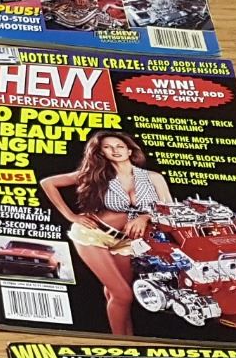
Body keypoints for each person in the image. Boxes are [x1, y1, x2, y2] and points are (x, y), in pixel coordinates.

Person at [38, 130, 172, 336]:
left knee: (116, 294)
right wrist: (71, 216)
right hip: (94, 235)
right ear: (102, 153)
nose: (115, 150)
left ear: (129, 150)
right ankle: (120, 341)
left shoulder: (154, 178)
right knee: (123, 295)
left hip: (127, 241)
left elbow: (169, 210)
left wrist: (145, 217)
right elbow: (48, 183)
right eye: (108, 148)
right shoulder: (98, 175)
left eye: (119, 146)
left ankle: (127, 340)